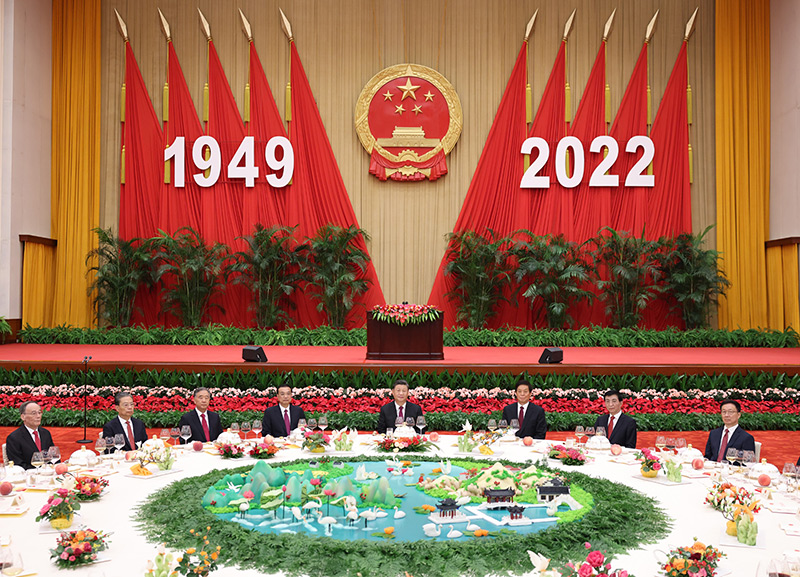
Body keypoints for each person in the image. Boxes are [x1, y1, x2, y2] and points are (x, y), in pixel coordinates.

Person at [5, 401, 55, 469]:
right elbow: (18, 464)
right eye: (33, 413)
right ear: (23, 417)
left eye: (39, 412)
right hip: (28, 474)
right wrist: (39, 470)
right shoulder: (14, 438)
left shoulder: (45, 433)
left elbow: (53, 456)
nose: (38, 416)